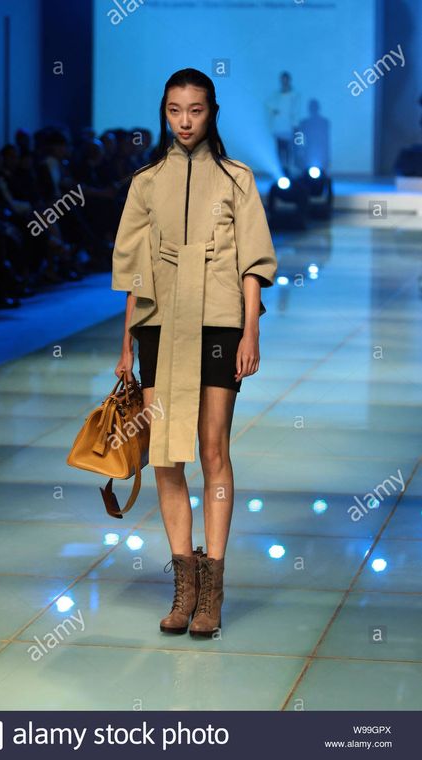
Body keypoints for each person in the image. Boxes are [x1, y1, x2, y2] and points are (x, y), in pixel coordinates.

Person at [111, 68, 278, 639]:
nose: (185, 121)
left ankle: (213, 588)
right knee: (164, 452)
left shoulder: (237, 180)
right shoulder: (146, 182)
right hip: (160, 323)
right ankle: (183, 587)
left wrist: (251, 332)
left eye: (196, 110)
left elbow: (254, 262)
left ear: (213, 112)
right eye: (175, 110)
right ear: (164, 112)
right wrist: (126, 345)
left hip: (218, 322)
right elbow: (133, 269)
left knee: (212, 448)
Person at [266, 71, 301, 175]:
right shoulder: (276, 95)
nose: (284, 82)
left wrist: (295, 126)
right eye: (282, 80)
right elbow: (269, 106)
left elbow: (296, 111)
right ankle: (281, 169)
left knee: (289, 150)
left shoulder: (294, 95)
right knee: (279, 150)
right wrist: (273, 110)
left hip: (289, 128)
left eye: (286, 80)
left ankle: (289, 169)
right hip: (278, 127)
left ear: (289, 80)